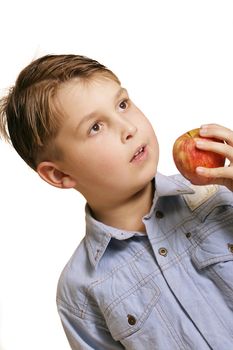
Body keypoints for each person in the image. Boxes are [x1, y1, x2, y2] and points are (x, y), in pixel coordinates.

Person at [0, 54, 233, 350]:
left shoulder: (220, 196)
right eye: (95, 127)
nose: (128, 127)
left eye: (122, 104)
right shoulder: (81, 291)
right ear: (59, 174)